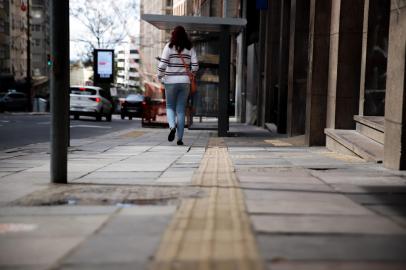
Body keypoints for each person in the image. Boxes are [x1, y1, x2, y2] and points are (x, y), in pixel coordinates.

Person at [157, 25, 198, 146]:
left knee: (170, 107)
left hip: (170, 81)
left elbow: (162, 65)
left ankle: (172, 127)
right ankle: (179, 139)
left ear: (173, 34)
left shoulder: (169, 47)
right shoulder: (190, 47)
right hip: (185, 81)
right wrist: (192, 74)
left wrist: (160, 76)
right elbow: (195, 65)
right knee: (181, 110)